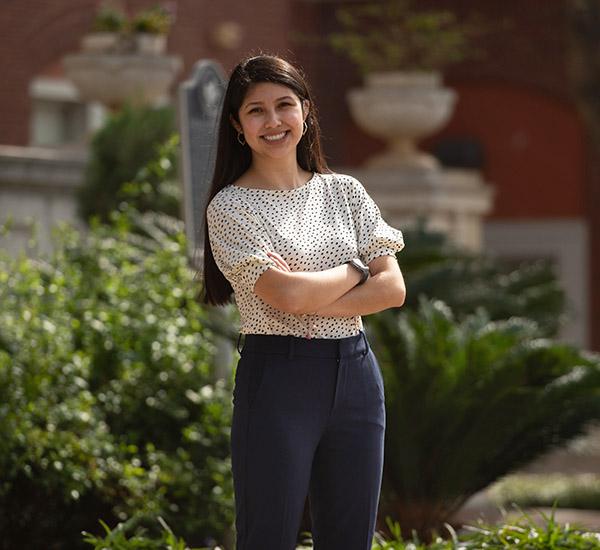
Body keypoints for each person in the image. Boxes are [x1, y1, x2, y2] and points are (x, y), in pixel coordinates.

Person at [201, 54, 406, 550]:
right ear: (237, 124)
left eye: (284, 105)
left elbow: (394, 289)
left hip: (356, 377)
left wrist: (310, 294)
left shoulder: (345, 192)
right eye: (256, 111)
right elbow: (286, 295)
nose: (273, 121)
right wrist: (356, 270)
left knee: (349, 539)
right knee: (268, 536)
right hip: (278, 381)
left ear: (306, 110)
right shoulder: (230, 207)